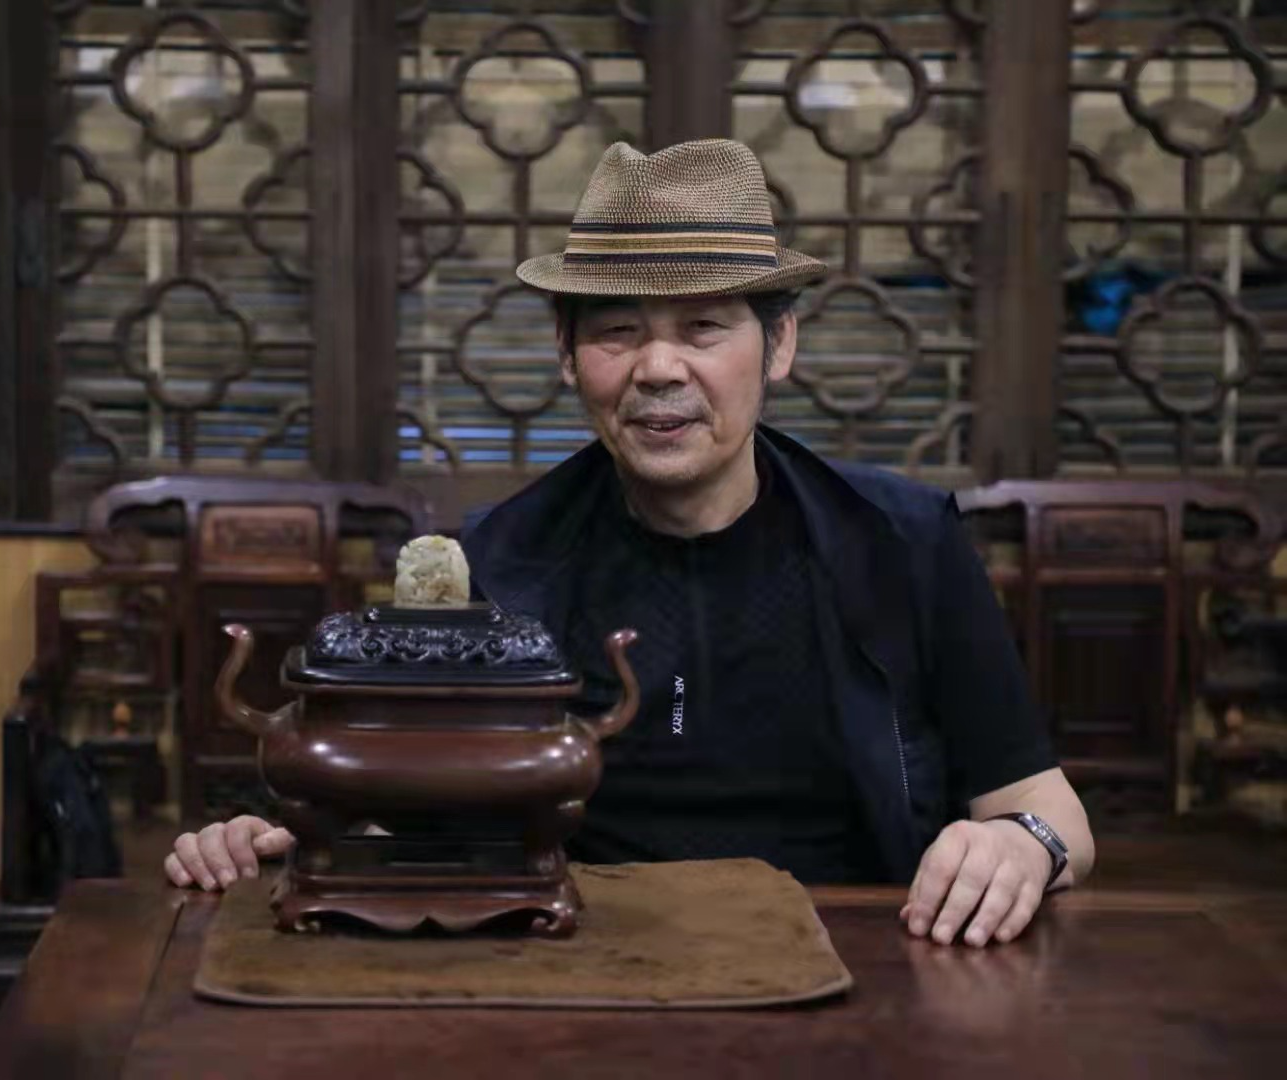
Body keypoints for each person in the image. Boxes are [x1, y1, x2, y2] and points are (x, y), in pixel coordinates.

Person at [164, 139, 1094, 949]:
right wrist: (292, 844)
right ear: (567, 356)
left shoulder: (902, 541)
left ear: (778, 346)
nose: (658, 369)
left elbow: (1046, 809)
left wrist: (1023, 846)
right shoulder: (500, 560)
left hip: (857, 948)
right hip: (577, 957)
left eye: (703, 328)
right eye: (617, 332)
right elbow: (417, 817)